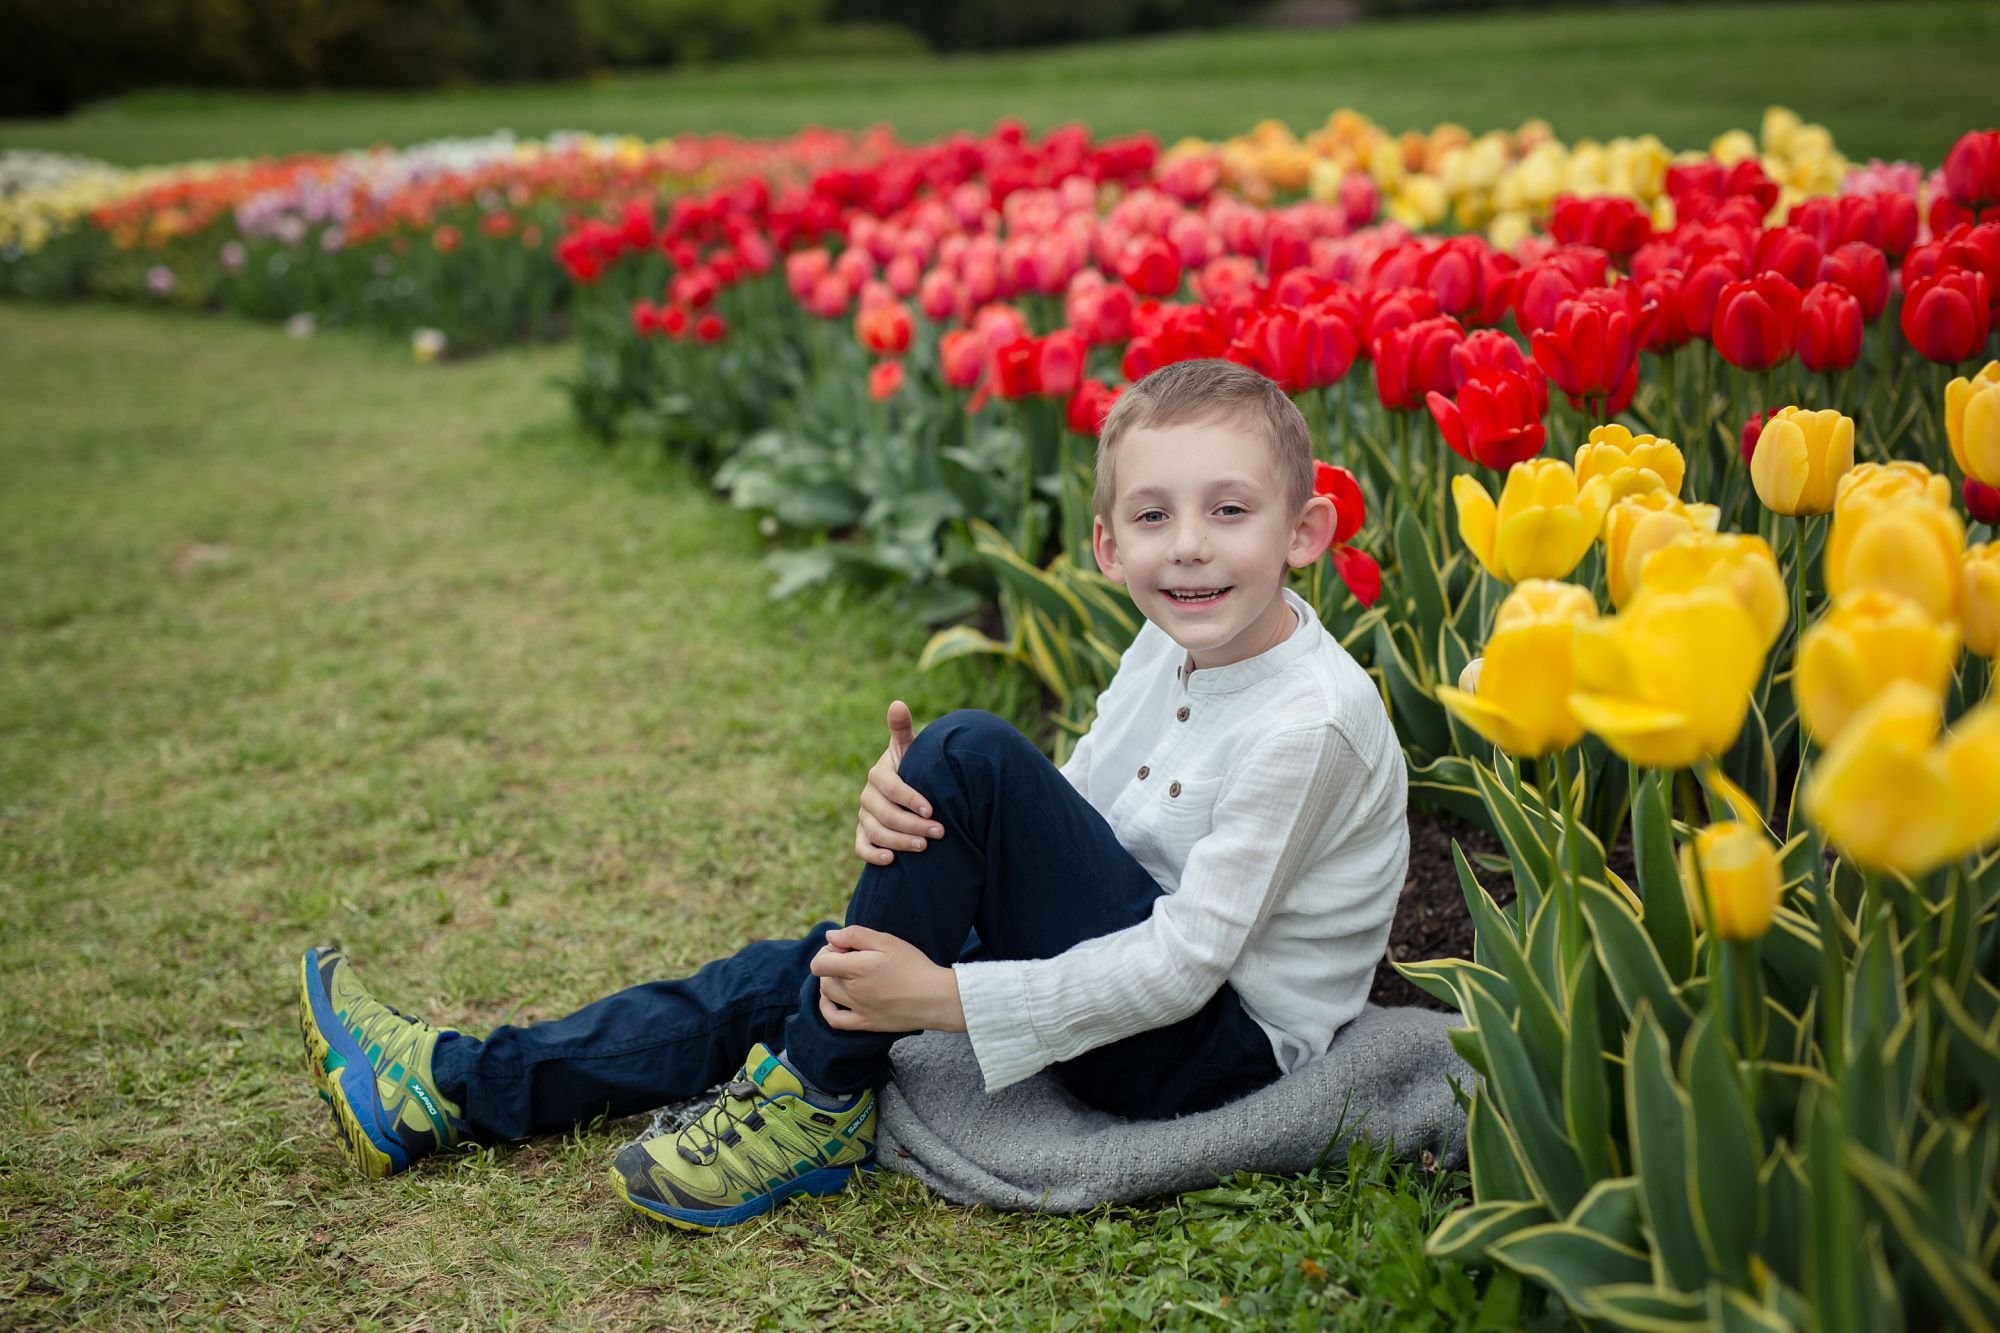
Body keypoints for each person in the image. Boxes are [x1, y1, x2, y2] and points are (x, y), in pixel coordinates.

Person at [296, 357, 1409, 1232]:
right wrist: (915, 829)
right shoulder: (1160, 646)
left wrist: (941, 1001)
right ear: (1109, 548)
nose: (1190, 550)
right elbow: (1073, 821)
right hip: (1129, 979)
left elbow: (1185, 963)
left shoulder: (1305, 722)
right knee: (814, 965)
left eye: (1229, 512)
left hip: (1210, 1049)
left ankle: (818, 1101)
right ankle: (449, 1086)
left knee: (964, 756)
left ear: (1302, 532)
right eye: (1155, 519)